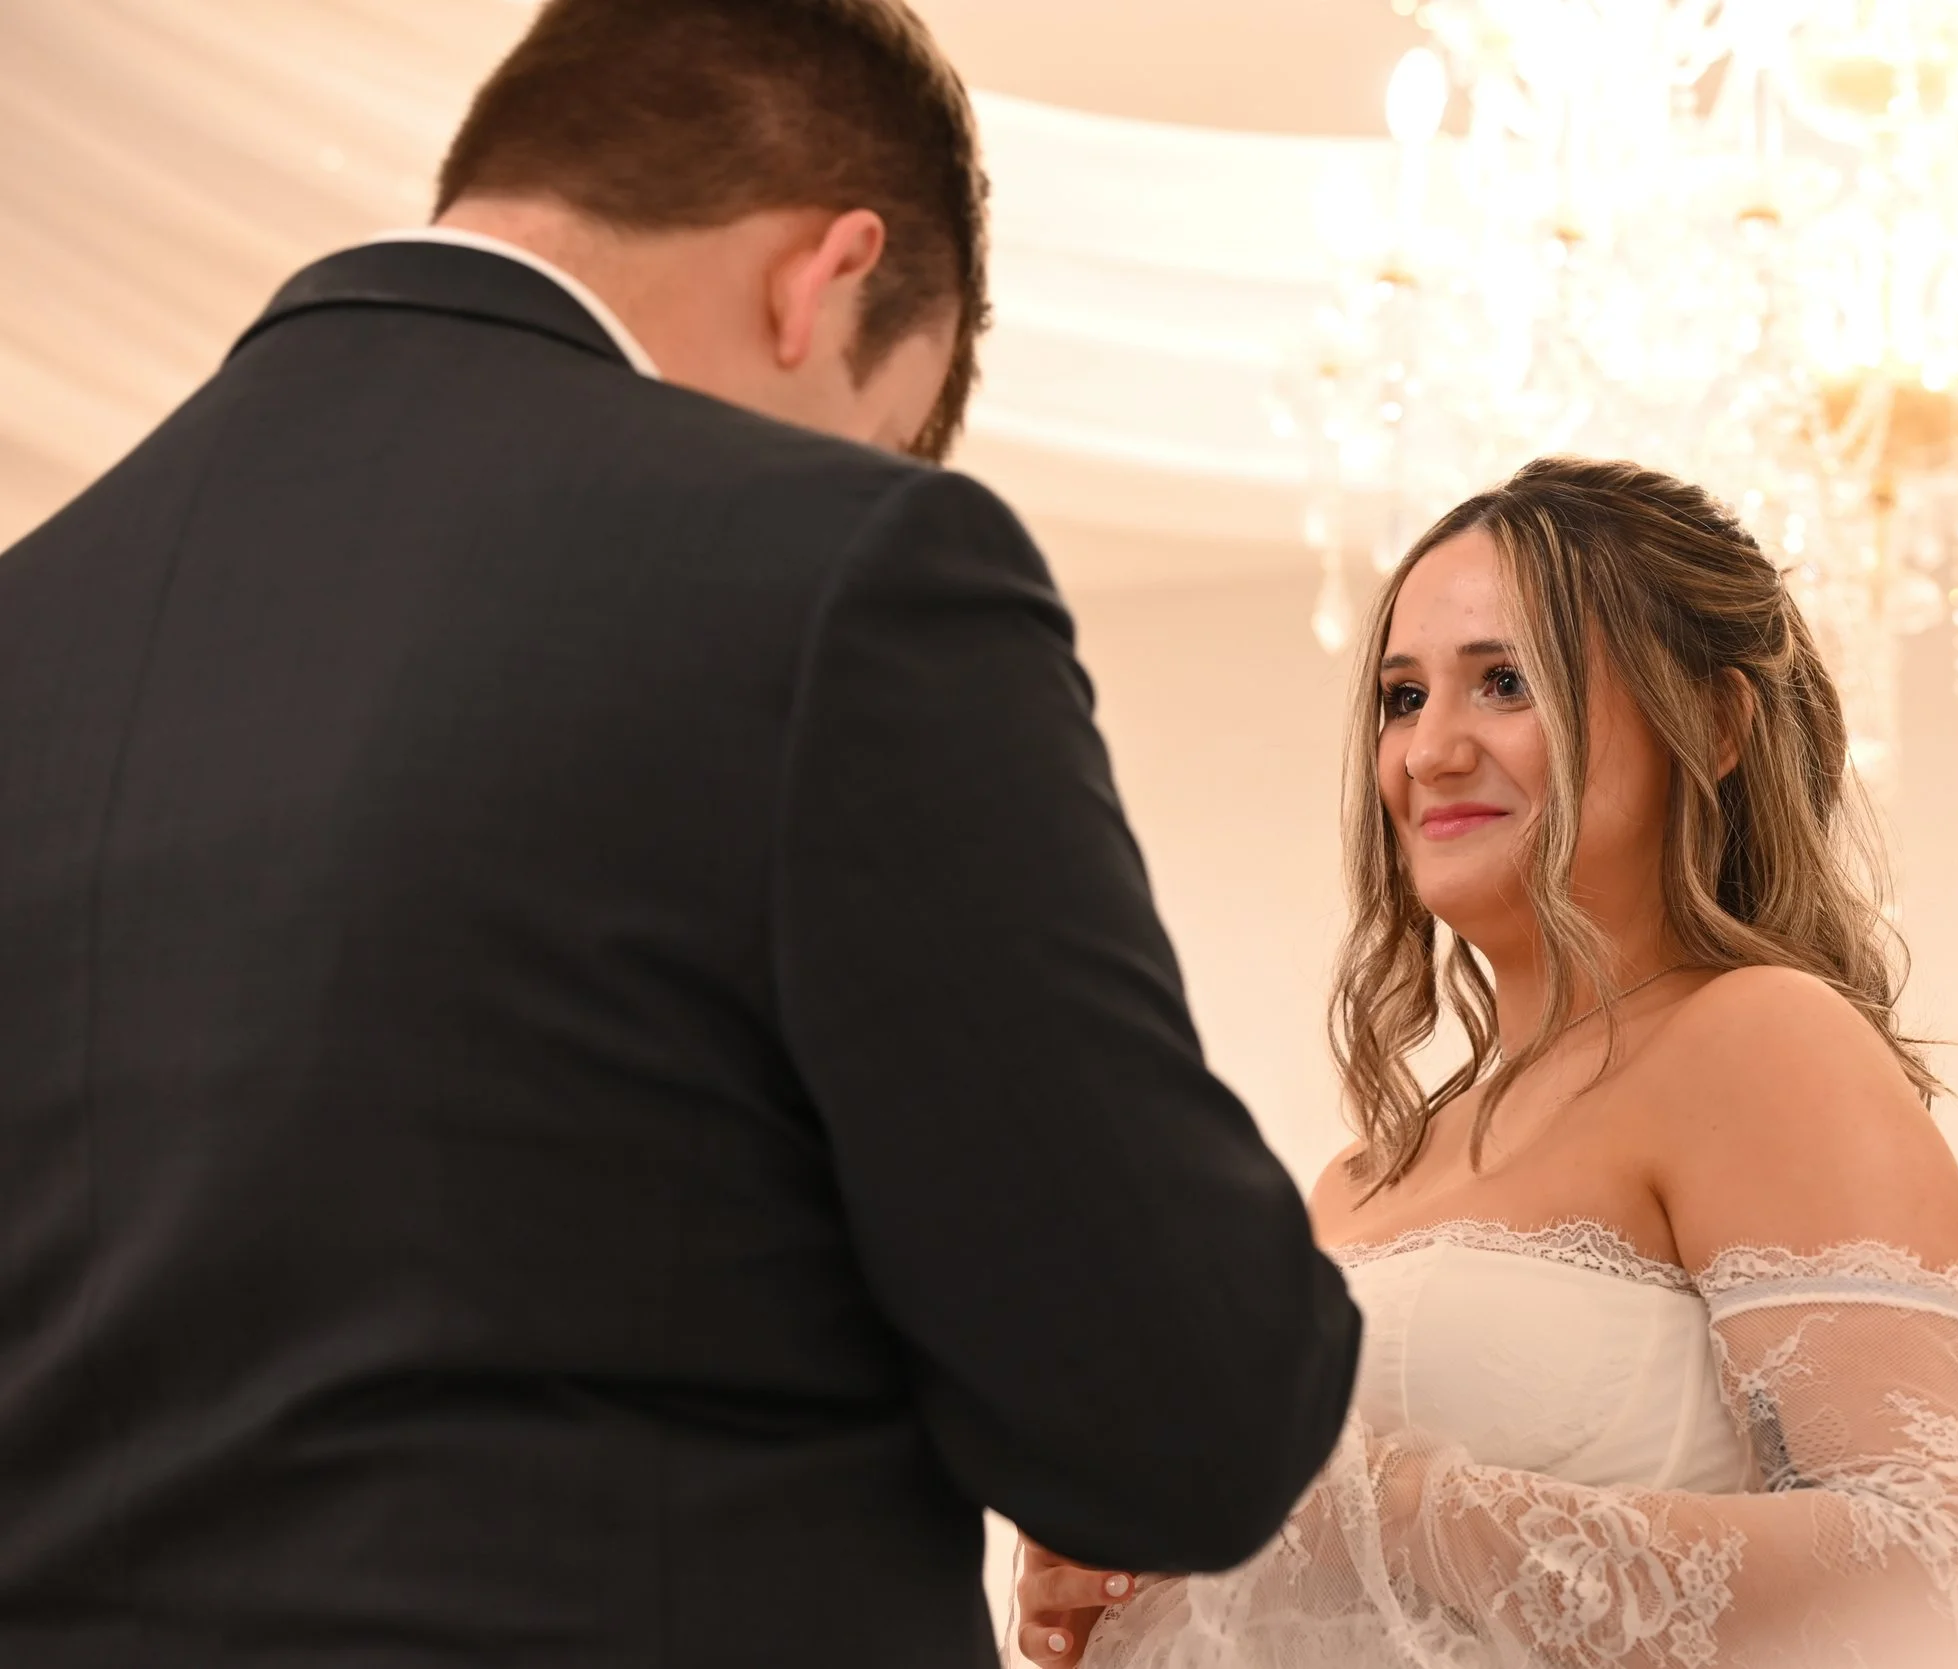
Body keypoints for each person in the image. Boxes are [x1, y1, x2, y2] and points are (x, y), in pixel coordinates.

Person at [0, 3, 1360, 1665]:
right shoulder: (848, 570)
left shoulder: (36, 612)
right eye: (882, 426)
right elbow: (1183, 1411)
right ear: (829, 277)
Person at [1017, 456, 1958, 1667]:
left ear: (1711, 720)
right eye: (1399, 697)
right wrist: (1142, 1567)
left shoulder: (1762, 1042)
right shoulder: (1357, 1181)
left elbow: (1928, 1586)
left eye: (1503, 681)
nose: (1429, 751)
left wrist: (1338, 1510)